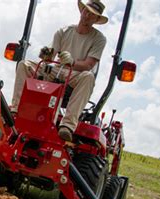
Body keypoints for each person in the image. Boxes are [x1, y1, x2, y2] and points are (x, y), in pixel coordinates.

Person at [11, 0, 108, 142]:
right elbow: (50, 57)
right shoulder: (64, 31)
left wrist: (72, 62)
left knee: (88, 77)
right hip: (55, 69)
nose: (87, 16)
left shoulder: (99, 39)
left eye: (92, 15)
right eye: (86, 11)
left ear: (97, 19)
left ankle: (67, 126)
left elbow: (88, 65)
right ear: (81, 11)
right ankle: (16, 109)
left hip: (75, 75)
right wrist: (46, 54)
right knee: (24, 65)